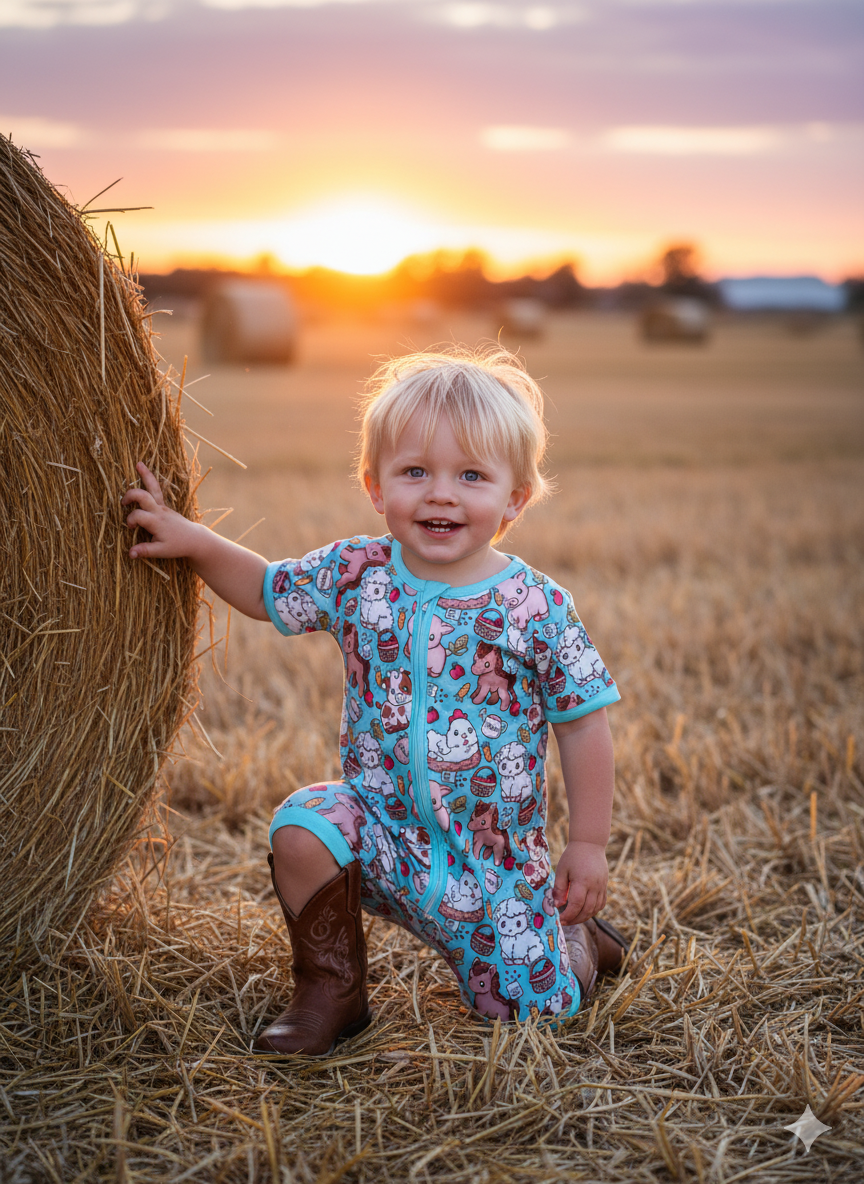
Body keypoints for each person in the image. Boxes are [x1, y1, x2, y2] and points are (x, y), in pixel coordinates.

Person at [122, 347, 628, 1056]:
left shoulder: (536, 606)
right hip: (382, 835)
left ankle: (576, 941)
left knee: (533, 1012)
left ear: (515, 498)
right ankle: (331, 990)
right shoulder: (356, 574)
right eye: (414, 471)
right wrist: (195, 542)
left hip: (494, 873)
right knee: (302, 823)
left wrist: (587, 844)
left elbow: (583, 725)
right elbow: (269, 592)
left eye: (472, 475)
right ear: (374, 485)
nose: (441, 494)